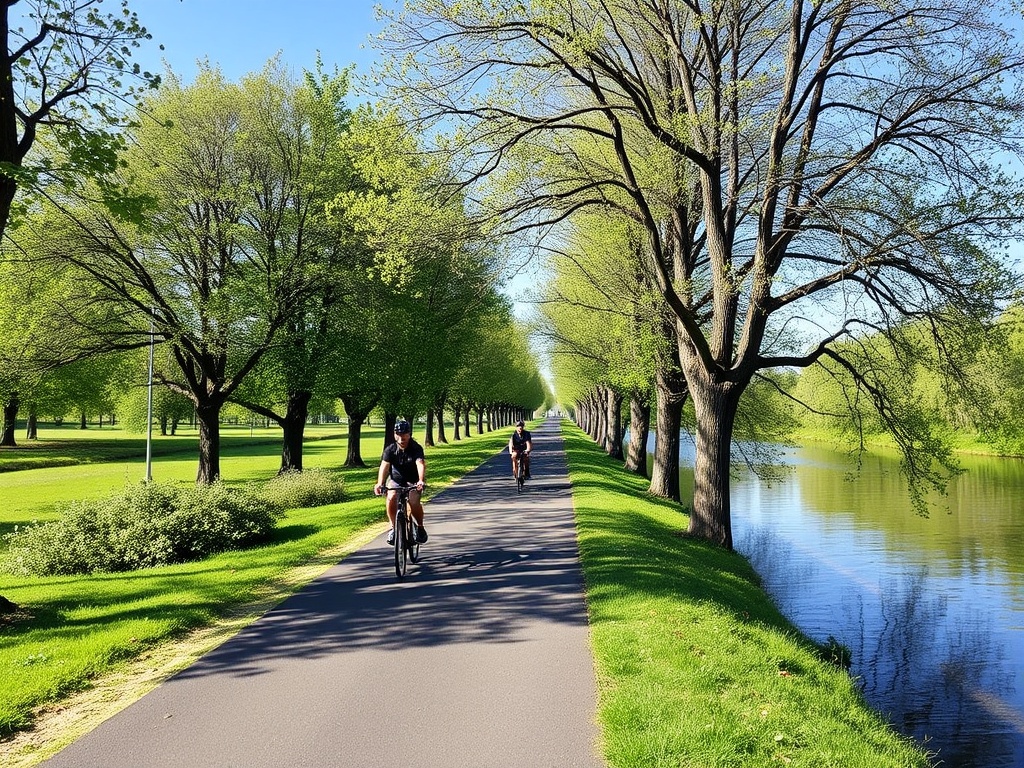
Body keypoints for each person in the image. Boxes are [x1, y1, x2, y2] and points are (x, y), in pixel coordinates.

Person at [374, 419, 427, 545]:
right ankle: (393, 528)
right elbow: (384, 466)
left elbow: (420, 463)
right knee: (391, 497)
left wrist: (420, 480)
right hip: (395, 480)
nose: (401, 437)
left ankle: (420, 527)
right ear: (394, 434)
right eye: (398, 433)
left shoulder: (416, 448)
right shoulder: (390, 449)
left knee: (414, 502)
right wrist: (380, 483)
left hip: (413, 480)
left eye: (404, 433)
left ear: (409, 434)